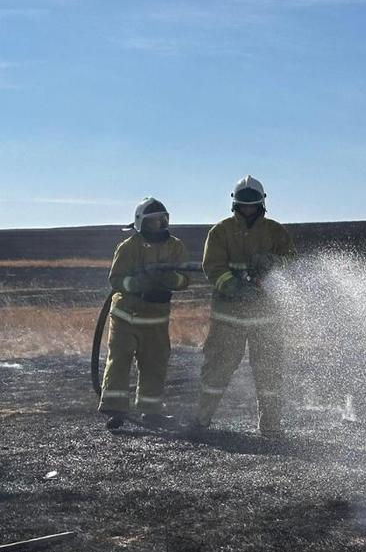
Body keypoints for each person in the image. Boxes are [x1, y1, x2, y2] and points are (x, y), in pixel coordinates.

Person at [192, 175, 295, 437]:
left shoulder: (275, 231)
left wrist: (272, 262)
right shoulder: (221, 232)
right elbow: (213, 267)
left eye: (253, 204)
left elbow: (291, 263)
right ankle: (202, 420)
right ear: (235, 205)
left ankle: (270, 426)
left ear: (261, 204)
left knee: (269, 372)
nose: (248, 209)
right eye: (243, 205)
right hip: (229, 317)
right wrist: (234, 287)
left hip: (267, 317)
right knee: (218, 367)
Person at [99, 198, 190, 427]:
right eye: (153, 222)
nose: (159, 225)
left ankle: (151, 411)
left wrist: (169, 278)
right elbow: (116, 279)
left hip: (156, 318)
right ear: (141, 223)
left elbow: (185, 279)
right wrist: (138, 283)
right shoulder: (129, 246)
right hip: (125, 317)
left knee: (155, 363)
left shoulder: (175, 247)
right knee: (119, 361)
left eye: (162, 220)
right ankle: (115, 410)